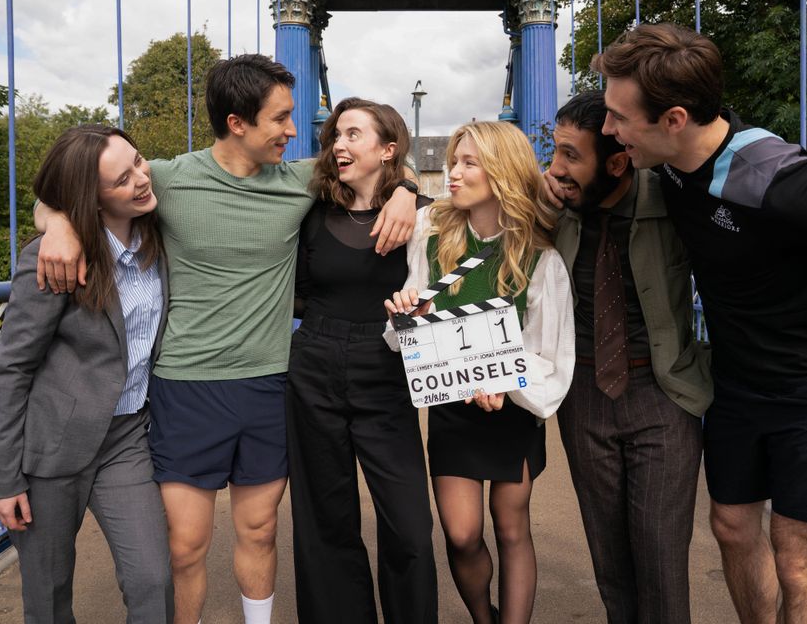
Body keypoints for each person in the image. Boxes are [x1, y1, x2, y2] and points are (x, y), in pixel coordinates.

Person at [34, 54, 418, 624]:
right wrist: (60, 223)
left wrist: (407, 188)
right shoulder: (166, 178)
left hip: (268, 384)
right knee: (186, 546)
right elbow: (59, 193)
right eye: (281, 119)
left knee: (260, 532)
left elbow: (375, 168)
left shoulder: (300, 179)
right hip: (185, 387)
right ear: (237, 123)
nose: (295, 131)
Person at [588, 23, 807, 623]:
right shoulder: (669, 166)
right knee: (730, 526)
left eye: (619, 117)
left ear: (674, 119)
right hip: (737, 381)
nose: (608, 130)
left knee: (797, 558)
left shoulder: (785, 181)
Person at [385, 121, 575, 624]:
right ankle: (482, 617)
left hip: (512, 409)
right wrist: (407, 316)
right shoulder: (431, 235)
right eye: (453, 161)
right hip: (453, 405)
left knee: (512, 528)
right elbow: (415, 330)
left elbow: (551, 351)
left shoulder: (541, 257)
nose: (453, 173)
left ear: (502, 172)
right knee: (462, 533)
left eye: (469, 163)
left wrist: (507, 381)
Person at [0, 125, 172, 622]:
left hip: (127, 436)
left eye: (138, 160)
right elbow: (11, 369)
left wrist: (404, 187)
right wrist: (3, 480)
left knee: (153, 580)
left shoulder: (157, 231)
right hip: (50, 448)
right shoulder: (54, 259)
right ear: (90, 200)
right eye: (120, 179)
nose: (140, 178)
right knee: (48, 596)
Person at [545, 90, 712, 623]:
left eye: (571, 155)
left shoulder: (676, 198)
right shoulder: (555, 206)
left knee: (660, 559)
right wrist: (409, 188)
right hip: (585, 396)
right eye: (554, 151)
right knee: (609, 558)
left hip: (663, 398)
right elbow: (466, 195)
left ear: (617, 161)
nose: (555, 168)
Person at [286, 97, 437, 623]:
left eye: (353, 134)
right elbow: (298, 292)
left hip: (388, 368)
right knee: (325, 520)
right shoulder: (310, 212)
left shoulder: (423, 217)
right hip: (314, 366)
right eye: (334, 136)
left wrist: (409, 189)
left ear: (388, 148)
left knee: (411, 526)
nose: (338, 144)